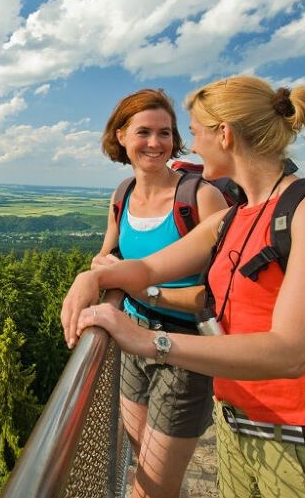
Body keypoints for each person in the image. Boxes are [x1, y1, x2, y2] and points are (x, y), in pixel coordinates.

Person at [61, 76, 305, 497]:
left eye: (196, 133)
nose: (192, 147)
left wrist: (149, 340)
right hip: (239, 429)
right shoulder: (234, 219)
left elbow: (291, 352)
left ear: (225, 134)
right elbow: (145, 269)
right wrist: (91, 277)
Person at [92, 89, 227, 498]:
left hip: (184, 351)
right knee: (142, 465)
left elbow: (223, 295)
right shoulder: (122, 196)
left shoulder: (201, 197)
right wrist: (103, 273)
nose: (156, 143)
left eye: (165, 133)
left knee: (151, 487)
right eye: (144, 132)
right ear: (120, 136)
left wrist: (146, 290)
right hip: (132, 340)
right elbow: (107, 256)